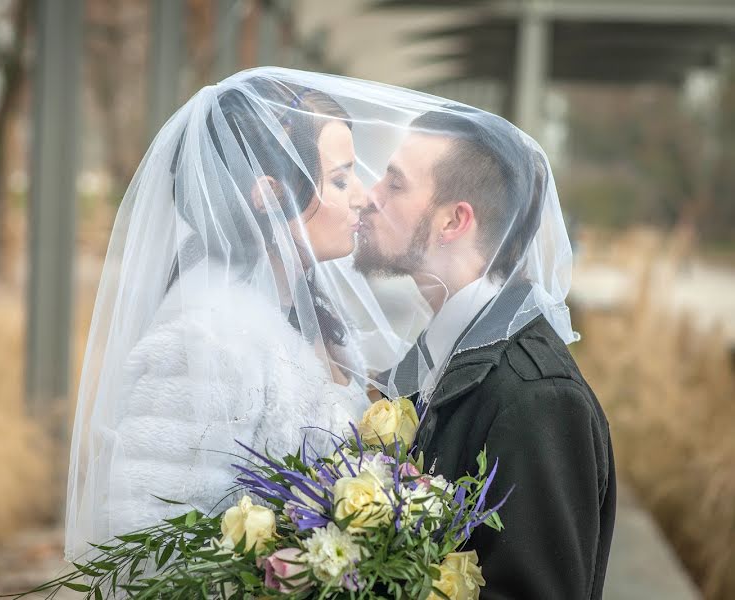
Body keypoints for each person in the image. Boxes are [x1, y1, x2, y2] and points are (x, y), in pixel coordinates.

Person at [64, 72, 373, 560]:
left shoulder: (305, 309)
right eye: (340, 179)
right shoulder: (208, 338)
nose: (364, 196)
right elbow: (149, 536)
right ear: (269, 196)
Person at [355, 107, 616, 599]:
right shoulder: (436, 353)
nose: (369, 196)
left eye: (395, 183)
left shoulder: (537, 399)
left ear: (453, 220)